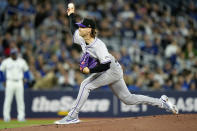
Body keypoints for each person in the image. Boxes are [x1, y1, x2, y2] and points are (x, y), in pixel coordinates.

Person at [54, 3, 178, 124]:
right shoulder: (82, 37)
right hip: (113, 70)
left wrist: (90, 71)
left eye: (82, 27)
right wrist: (71, 15)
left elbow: (106, 65)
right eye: (80, 26)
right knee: (128, 99)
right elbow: (72, 29)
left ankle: (72, 116)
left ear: (89, 30)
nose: (79, 28)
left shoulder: (98, 46)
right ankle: (162, 102)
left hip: (111, 69)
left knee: (86, 85)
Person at [0, 48, 29, 122]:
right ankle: (6, 117)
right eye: (12, 54)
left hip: (19, 81)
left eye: (15, 53)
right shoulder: (6, 61)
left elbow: (26, 70)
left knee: (20, 101)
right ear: (10, 54)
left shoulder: (22, 61)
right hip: (9, 82)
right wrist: (3, 80)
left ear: (17, 53)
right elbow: (1, 71)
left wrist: (25, 78)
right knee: (8, 100)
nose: (14, 55)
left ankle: (21, 117)